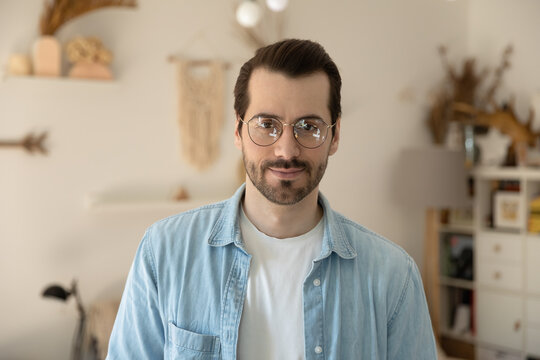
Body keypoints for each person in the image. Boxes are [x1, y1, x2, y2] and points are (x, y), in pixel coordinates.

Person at [106, 39, 437, 360]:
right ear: (238, 131)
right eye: (267, 124)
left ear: (334, 136)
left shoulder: (393, 275)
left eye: (309, 126)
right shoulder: (164, 251)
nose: (286, 150)